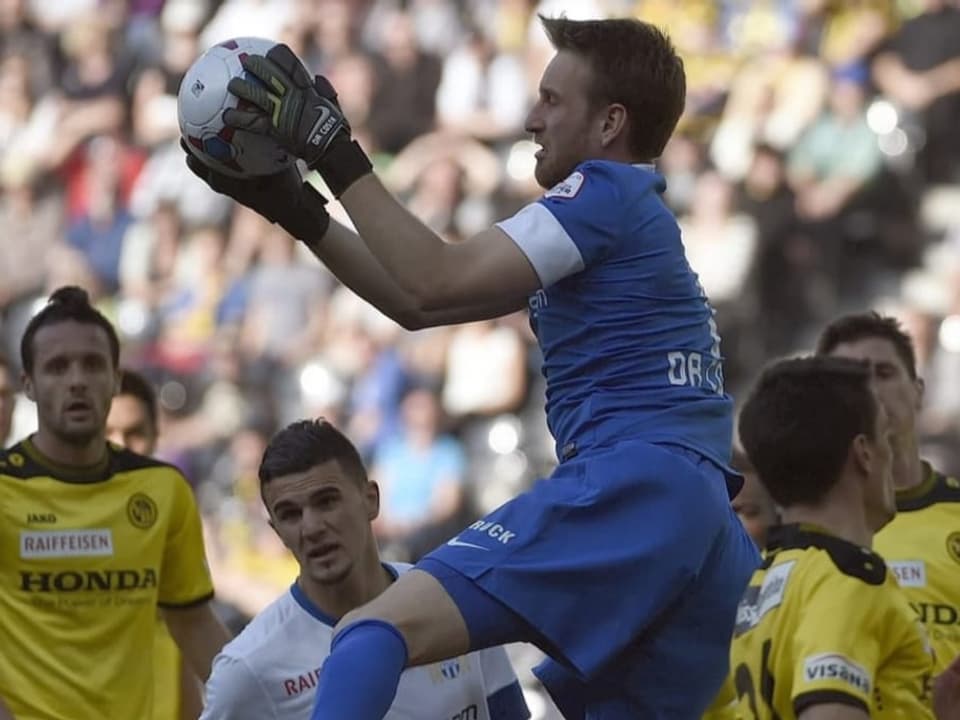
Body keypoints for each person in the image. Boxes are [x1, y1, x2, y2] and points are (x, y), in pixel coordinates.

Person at [186, 16, 759, 719]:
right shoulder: (634, 218)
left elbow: (434, 280)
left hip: (635, 484)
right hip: (704, 522)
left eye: (552, 100)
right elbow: (416, 306)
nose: (530, 118)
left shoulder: (603, 194)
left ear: (611, 122)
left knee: (370, 631)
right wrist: (302, 212)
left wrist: (331, 149)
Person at [0, 286, 231, 720]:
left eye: (92, 365)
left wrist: (266, 705)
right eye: (56, 367)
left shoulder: (162, 489)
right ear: (28, 384)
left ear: (116, 378)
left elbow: (194, 624)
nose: (76, 380)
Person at [199, 417, 530, 720]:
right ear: (276, 532)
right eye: (290, 514)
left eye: (326, 501)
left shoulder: (455, 603)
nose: (311, 527)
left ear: (371, 499)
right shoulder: (249, 669)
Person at [733, 355, 941, 718]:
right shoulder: (846, 580)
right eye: (883, 437)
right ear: (864, 453)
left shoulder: (767, 579)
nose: (891, 453)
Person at [816, 312, 960, 676]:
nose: (870, 391)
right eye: (852, 379)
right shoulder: (804, 533)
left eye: (883, 373)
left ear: (918, 391)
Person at [106, 367, 205, 720]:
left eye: (134, 433)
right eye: (108, 432)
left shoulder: (172, 509)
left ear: (156, 435)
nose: (120, 446)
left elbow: (189, 630)